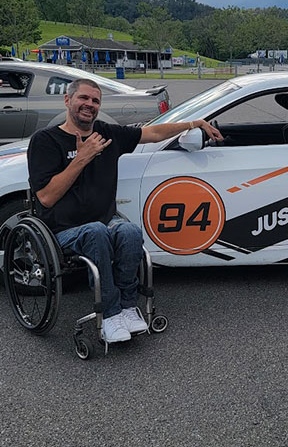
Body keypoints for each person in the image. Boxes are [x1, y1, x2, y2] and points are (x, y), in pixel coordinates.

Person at [27, 78, 222, 343]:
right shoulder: (45, 141)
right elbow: (47, 198)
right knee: (96, 232)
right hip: (62, 231)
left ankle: (128, 308)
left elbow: (151, 133)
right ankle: (109, 313)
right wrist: (82, 158)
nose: (89, 105)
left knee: (130, 231)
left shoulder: (107, 134)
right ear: (68, 100)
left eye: (95, 101)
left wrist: (193, 124)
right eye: (83, 98)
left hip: (103, 224)